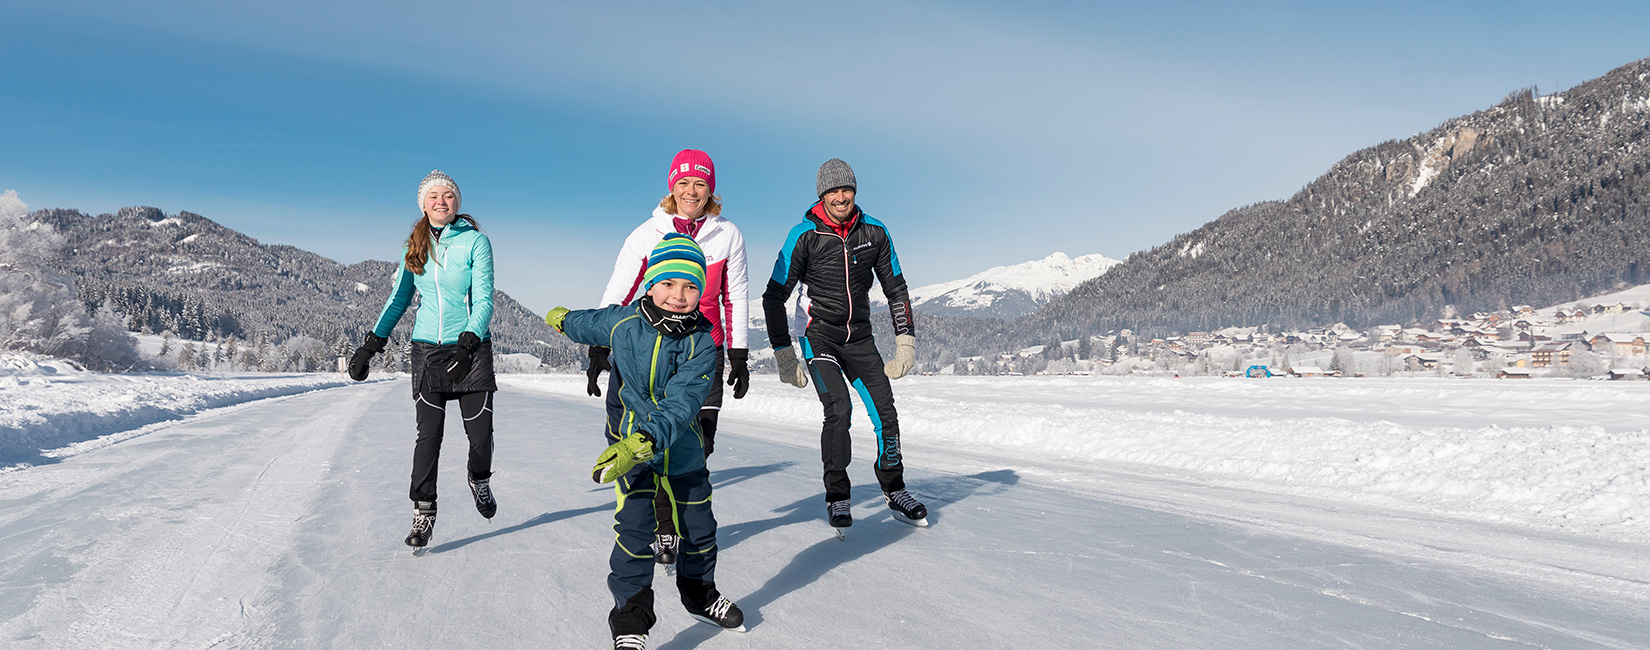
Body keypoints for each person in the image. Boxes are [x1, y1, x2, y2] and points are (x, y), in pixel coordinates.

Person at [545, 233, 746, 649]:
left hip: (681, 450)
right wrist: (563, 319)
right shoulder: (625, 322)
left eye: (691, 286)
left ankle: (699, 594)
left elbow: (683, 402)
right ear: (651, 284)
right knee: (634, 533)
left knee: (699, 529)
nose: (679, 295)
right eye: (669, 283)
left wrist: (643, 440)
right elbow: (590, 322)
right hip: (628, 450)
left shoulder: (701, 343)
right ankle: (631, 619)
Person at [591, 149, 750, 567]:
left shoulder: (727, 234)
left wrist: (738, 352)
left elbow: (735, 295)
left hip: (703, 350)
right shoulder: (646, 233)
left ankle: (682, 516)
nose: (691, 191)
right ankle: (665, 528)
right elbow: (620, 292)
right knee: (655, 438)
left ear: (710, 189)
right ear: (671, 187)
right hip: (649, 355)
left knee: (699, 441)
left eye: (700, 183)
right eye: (683, 183)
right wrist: (599, 346)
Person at [761, 158, 928, 530]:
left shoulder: (875, 232)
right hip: (819, 335)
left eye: (846, 189)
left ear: (855, 191)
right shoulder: (803, 235)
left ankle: (894, 487)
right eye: (832, 190)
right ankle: (838, 496)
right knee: (839, 410)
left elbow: (896, 288)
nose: (840, 196)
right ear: (822, 195)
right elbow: (774, 296)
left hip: (860, 337)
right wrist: (783, 352)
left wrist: (906, 341)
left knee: (886, 412)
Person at [347, 170, 499, 550]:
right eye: (433, 196)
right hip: (427, 351)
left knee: (480, 438)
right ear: (423, 204)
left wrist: (468, 343)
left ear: (457, 203)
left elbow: (483, 299)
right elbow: (398, 299)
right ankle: (423, 511)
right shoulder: (413, 246)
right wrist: (371, 345)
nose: (441, 201)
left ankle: (479, 479)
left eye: (448, 195)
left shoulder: (476, 242)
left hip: (471, 348)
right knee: (428, 436)